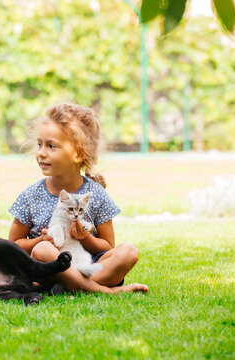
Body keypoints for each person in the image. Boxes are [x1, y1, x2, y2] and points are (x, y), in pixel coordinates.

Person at [8, 103, 148, 294]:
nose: (41, 152)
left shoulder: (96, 194)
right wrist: (42, 239)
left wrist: (86, 238)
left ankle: (64, 285)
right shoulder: (31, 195)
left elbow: (108, 246)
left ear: (78, 154)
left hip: (86, 264)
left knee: (129, 252)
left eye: (51, 146)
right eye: (40, 144)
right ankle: (103, 290)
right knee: (43, 250)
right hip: (47, 266)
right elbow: (13, 246)